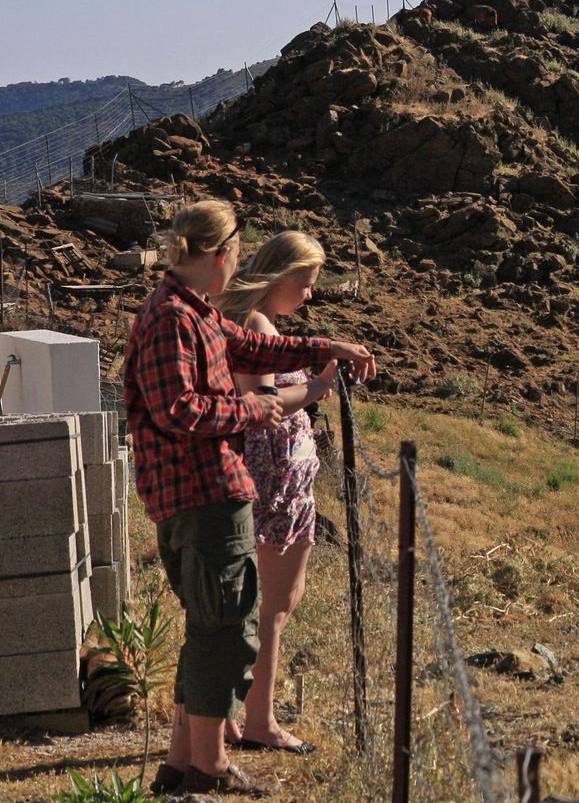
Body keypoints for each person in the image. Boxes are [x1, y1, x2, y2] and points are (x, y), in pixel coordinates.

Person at [124, 202, 376, 797]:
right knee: (228, 630)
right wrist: (255, 409)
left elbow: (255, 348)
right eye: (237, 249)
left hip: (209, 489)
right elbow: (178, 410)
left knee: (211, 626)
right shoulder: (170, 320)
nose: (240, 261)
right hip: (200, 491)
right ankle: (209, 768)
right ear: (220, 252)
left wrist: (328, 347)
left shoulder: (195, 313)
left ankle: (182, 763)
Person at [216, 231, 336, 757]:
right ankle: (261, 719)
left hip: (273, 482)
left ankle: (220, 714)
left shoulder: (248, 320)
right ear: (280, 276)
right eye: (306, 284)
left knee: (253, 608)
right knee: (273, 609)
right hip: (275, 487)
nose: (309, 295)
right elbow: (264, 403)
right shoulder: (258, 323)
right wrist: (316, 386)